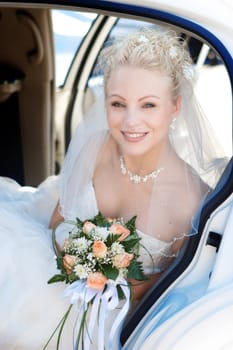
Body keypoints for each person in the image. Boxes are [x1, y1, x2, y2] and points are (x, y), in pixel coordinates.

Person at [0, 27, 227, 349]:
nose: (131, 122)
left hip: (112, 317)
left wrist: (103, 281)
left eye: (148, 105)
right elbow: (54, 222)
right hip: (47, 267)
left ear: (175, 107)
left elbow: (170, 289)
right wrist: (77, 262)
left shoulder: (192, 202)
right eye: (118, 104)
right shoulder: (99, 146)